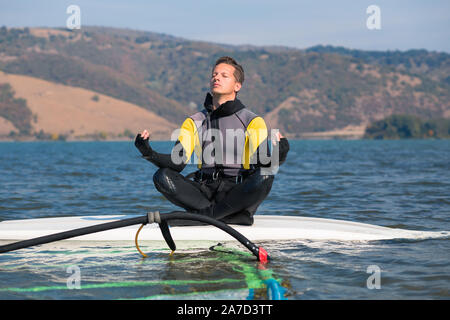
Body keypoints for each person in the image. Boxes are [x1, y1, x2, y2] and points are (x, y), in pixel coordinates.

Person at [135, 56, 289, 225]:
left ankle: (203, 217)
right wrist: (148, 153)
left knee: (265, 175)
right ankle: (225, 218)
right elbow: (176, 164)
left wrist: (279, 155)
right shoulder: (194, 121)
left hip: (236, 193)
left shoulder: (252, 121)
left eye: (224, 75)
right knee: (162, 176)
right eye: (214, 74)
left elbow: (263, 164)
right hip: (203, 192)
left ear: (237, 86)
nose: (216, 77)